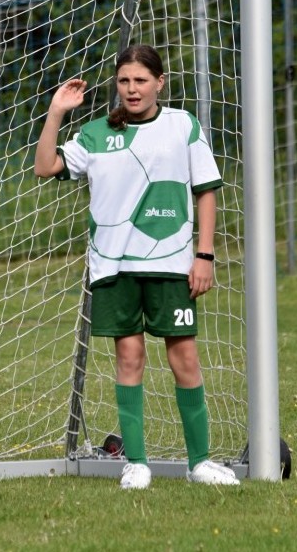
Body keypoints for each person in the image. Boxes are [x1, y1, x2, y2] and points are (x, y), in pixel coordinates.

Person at [33, 44, 240, 489]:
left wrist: (204, 255)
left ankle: (199, 462)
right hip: (113, 265)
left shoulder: (182, 126)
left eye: (141, 80)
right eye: (124, 81)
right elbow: (44, 165)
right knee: (129, 357)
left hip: (172, 263)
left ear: (159, 83)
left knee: (184, 356)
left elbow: (206, 191)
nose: (132, 89)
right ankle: (137, 463)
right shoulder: (95, 134)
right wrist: (55, 113)